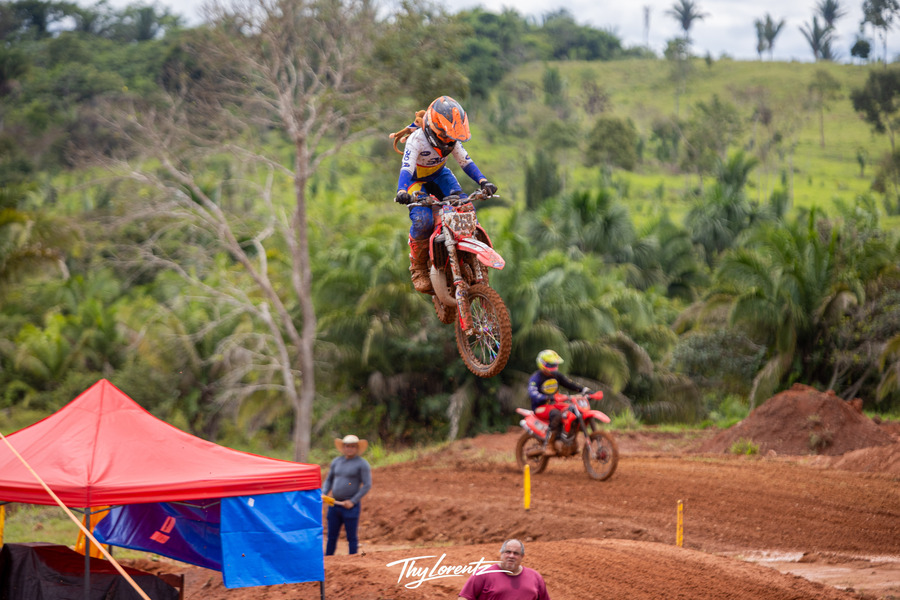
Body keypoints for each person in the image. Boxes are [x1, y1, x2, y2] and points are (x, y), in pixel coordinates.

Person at [389, 95, 498, 294]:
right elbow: (406, 168)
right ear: (433, 129)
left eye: (452, 138)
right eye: (445, 137)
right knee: (423, 220)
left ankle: (469, 257)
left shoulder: (452, 140)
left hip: (440, 175)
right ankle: (418, 267)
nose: (449, 142)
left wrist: (483, 181)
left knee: (466, 207)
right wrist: (402, 191)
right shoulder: (416, 140)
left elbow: (466, 162)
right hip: (416, 181)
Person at [527, 349, 590, 456]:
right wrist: (548, 397)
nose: (553, 367)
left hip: (555, 404)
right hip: (540, 407)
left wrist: (584, 390)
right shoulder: (536, 378)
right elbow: (532, 393)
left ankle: (570, 441)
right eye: (551, 364)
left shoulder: (556, 375)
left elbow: (569, 384)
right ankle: (549, 445)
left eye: (555, 364)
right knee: (556, 414)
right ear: (542, 364)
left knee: (573, 411)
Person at [322, 434, 372, 555]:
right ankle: (328, 560)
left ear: (357, 448)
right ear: (343, 447)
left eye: (352, 446)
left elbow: (367, 485)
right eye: (347, 446)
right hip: (334, 504)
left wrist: (353, 501)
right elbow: (329, 479)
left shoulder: (362, 464)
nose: (349, 449)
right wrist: (323, 493)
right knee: (331, 536)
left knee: (351, 537)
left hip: (350, 506)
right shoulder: (336, 462)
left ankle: (353, 561)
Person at [458, 538, 551, 600]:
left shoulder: (535, 577)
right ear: (501, 554)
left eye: (516, 553)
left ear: (522, 556)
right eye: (508, 552)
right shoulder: (482, 574)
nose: (511, 556)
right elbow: (464, 598)